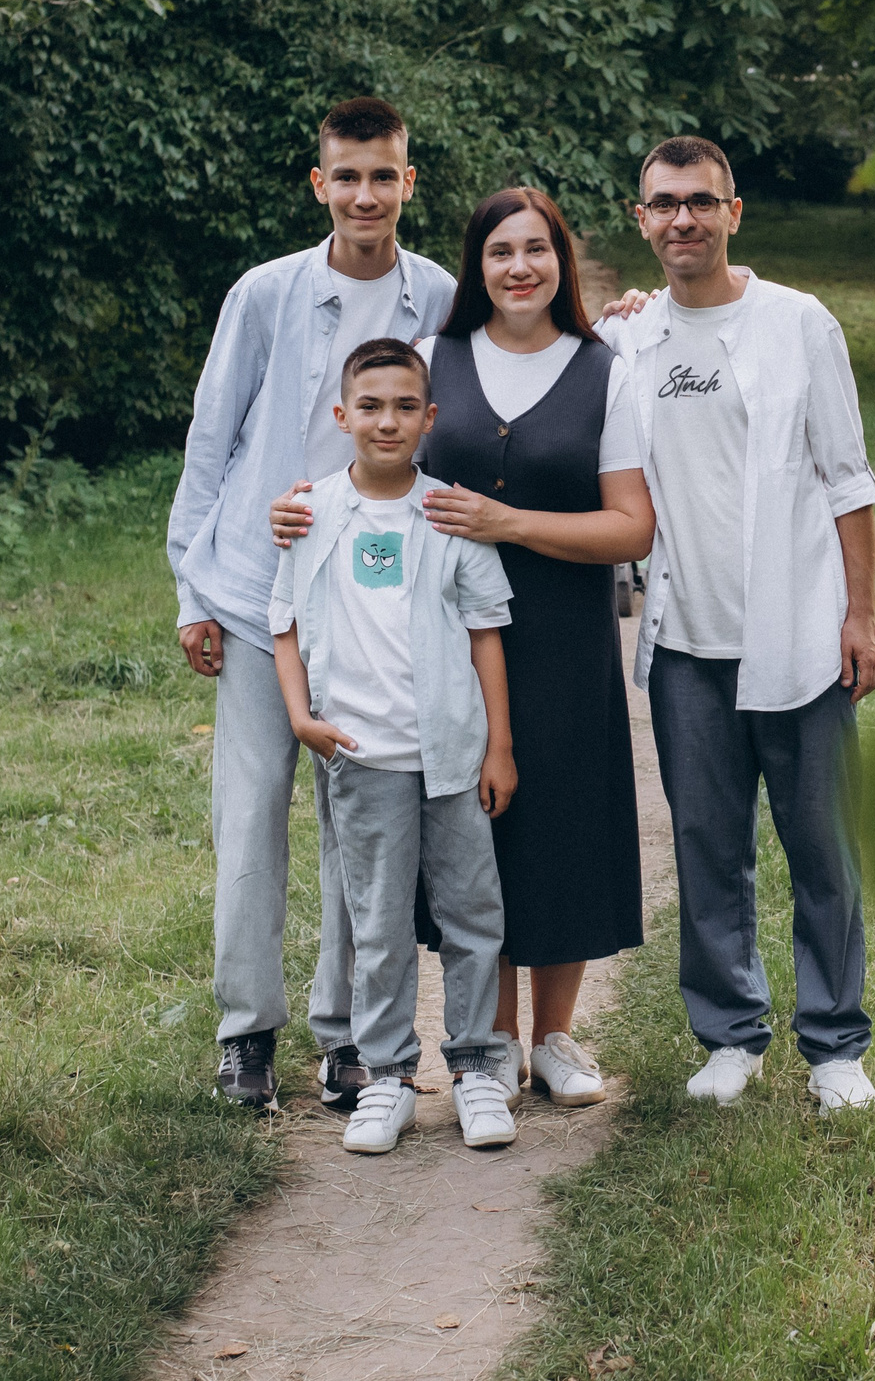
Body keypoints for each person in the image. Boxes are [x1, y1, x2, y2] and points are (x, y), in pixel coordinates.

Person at [271, 188, 653, 1107]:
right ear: (474, 268)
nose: (519, 266)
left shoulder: (605, 369)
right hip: (435, 641)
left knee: (556, 826)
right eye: (499, 252)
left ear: (561, 259)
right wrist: (302, 506)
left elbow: (632, 530)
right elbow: (376, 448)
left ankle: (553, 1037)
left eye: (537, 249)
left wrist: (509, 520)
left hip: (561, 631)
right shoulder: (440, 360)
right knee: (474, 850)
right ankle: (483, 1044)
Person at [166, 96, 457, 1113]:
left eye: (383, 176)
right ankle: (246, 1031)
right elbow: (212, 439)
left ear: (407, 183)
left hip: (370, 603)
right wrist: (189, 588)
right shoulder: (265, 293)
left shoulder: (439, 298)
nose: (364, 195)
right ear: (319, 182)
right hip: (254, 589)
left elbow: (515, 365)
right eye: (347, 176)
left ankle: (347, 1035)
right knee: (247, 819)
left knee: (361, 829)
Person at [599, 135, 875, 1113]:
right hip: (684, 642)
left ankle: (835, 1043)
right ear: (640, 219)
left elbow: (847, 477)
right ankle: (729, 1034)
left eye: (700, 201)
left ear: (733, 211)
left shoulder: (798, 323)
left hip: (799, 634)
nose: (683, 218)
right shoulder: (627, 342)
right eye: (664, 203)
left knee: (822, 847)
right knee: (708, 844)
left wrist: (861, 614)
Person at [269, 336, 522, 1154]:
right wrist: (302, 716)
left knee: (472, 911)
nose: (388, 421)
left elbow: (487, 636)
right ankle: (386, 1076)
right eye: (370, 406)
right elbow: (286, 625)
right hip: (361, 756)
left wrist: (499, 748)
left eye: (405, 406)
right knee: (376, 924)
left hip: (450, 755)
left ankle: (480, 1068)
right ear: (342, 415)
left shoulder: (449, 511)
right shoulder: (313, 514)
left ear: (430, 416)